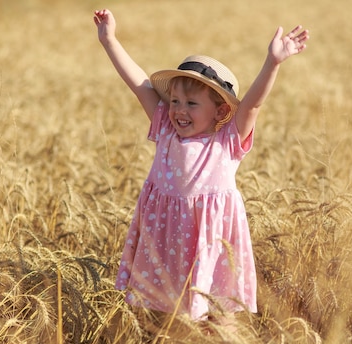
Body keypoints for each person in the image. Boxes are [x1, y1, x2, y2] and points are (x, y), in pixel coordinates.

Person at [94, 8, 309, 327]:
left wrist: (272, 62)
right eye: (175, 101)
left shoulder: (227, 140)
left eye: (191, 104)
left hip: (211, 239)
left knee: (218, 314)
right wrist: (109, 39)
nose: (179, 110)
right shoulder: (166, 128)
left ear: (220, 110)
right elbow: (139, 83)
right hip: (165, 235)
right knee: (159, 312)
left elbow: (252, 104)